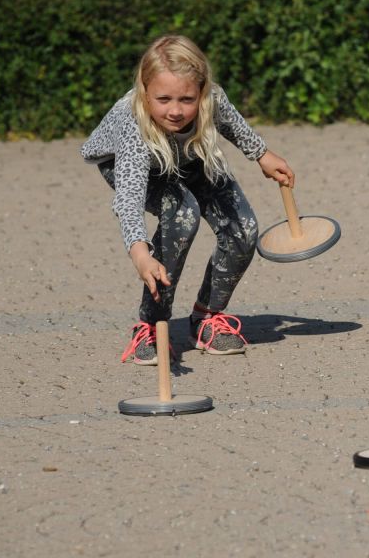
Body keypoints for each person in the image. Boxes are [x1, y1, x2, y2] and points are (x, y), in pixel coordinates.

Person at [81, 34, 294, 365]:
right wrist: (140, 255)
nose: (176, 111)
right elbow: (129, 198)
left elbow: (233, 125)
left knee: (243, 226)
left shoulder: (212, 99)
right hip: (135, 168)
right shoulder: (133, 124)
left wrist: (262, 154)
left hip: (190, 155)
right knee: (183, 215)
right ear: (144, 91)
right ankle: (151, 326)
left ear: (203, 91)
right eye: (163, 99)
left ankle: (207, 317)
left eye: (187, 99)